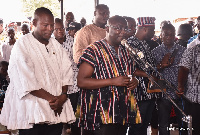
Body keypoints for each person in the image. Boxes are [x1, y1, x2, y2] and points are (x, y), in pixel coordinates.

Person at [0, 7, 76, 135]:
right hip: (32, 111)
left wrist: (63, 95)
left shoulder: (55, 45)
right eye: (45, 25)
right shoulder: (22, 45)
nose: (50, 29)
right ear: (34, 23)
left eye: (52, 25)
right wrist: (54, 100)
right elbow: (25, 79)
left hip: (54, 110)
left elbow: (66, 70)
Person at [75, 15, 141, 135]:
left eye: (125, 29)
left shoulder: (126, 51)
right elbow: (81, 81)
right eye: (118, 28)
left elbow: (130, 74)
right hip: (99, 114)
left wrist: (134, 81)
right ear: (107, 28)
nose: (122, 32)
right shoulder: (93, 50)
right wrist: (112, 81)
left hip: (121, 112)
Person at [152, 24, 187, 135]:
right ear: (161, 35)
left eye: (172, 35)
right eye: (166, 34)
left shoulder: (182, 50)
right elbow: (152, 72)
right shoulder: (155, 52)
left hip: (180, 91)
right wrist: (161, 65)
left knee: (183, 122)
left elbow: (187, 70)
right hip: (164, 93)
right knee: (163, 124)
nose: (169, 37)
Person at [127, 17, 157, 135]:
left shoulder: (144, 43)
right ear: (145, 29)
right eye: (152, 30)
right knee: (137, 126)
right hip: (139, 93)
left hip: (149, 92)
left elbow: (148, 65)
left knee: (144, 125)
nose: (154, 33)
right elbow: (129, 68)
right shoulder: (130, 43)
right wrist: (148, 75)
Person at [53, 18, 81, 135]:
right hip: (57, 85)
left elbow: (77, 62)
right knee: (59, 114)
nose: (60, 31)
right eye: (57, 29)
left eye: (62, 28)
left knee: (74, 114)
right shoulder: (50, 43)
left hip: (73, 83)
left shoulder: (73, 41)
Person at [178, 43, 200, 135]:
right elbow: (183, 70)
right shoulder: (192, 51)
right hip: (194, 100)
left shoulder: (191, 50)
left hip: (194, 99)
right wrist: (181, 86)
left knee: (194, 130)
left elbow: (183, 69)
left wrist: (180, 86)